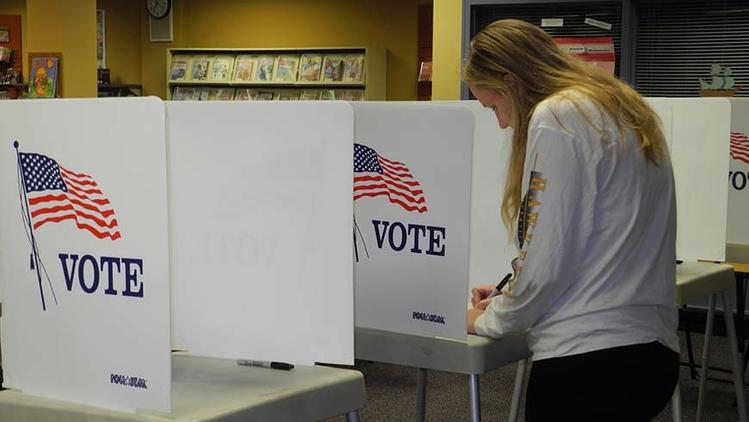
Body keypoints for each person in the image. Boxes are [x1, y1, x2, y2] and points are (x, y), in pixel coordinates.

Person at [464, 19, 679, 421]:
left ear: (511, 80)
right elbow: (597, 242)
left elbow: (548, 259)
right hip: (649, 349)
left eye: (494, 105)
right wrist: (507, 292)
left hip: (588, 361)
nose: (502, 122)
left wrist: (487, 319)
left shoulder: (557, 117)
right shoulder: (621, 105)